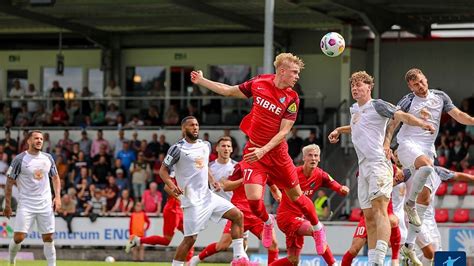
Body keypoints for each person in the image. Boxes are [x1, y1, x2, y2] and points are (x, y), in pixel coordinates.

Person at [191, 53, 328, 253]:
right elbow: (229, 91)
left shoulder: (292, 98)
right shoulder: (259, 82)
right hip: (254, 152)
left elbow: (284, 131)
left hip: (277, 154)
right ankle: (267, 222)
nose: (297, 76)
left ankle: (318, 228)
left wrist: (264, 150)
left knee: (297, 196)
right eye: (295, 72)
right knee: (254, 202)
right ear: (282, 71)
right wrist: (202, 80)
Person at [328, 71, 435, 265]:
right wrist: (339, 130)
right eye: (353, 85)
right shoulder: (355, 110)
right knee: (369, 216)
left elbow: (401, 116)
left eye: (360, 85)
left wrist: (422, 123)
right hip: (363, 168)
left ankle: (379, 259)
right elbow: (357, 127)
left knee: (380, 211)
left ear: (369, 87)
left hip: (378, 164)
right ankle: (372, 260)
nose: (355, 88)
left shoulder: (377, 105)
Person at [383, 68, 474, 260]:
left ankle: (409, 245)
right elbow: (393, 124)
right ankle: (409, 204)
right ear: (410, 86)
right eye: (416, 84)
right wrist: (387, 144)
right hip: (407, 144)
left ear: (426, 79)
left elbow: (458, 115)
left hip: (428, 148)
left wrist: (472, 120)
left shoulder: (440, 97)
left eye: (422, 81)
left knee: (424, 198)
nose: (421, 86)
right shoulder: (407, 100)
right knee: (425, 166)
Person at [159, 116, 250, 265]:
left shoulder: (205, 145)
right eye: (191, 125)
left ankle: (239, 258)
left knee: (238, 215)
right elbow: (162, 171)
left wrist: (212, 180)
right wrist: (171, 185)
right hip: (192, 201)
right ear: (183, 129)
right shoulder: (177, 149)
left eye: (196, 125)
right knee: (190, 239)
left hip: (208, 196)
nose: (195, 128)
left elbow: (203, 166)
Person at [271, 144, 349, 266]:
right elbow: (271, 177)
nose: (313, 158)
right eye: (310, 155)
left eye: (316, 156)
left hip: (300, 219)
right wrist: (274, 190)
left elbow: (333, 183)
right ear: (303, 158)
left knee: (293, 261)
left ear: (319, 159)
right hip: (286, 218)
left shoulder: (320, 175)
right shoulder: (293, 173)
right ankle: (333, 264)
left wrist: (341, 189)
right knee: (317, 230)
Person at [190, 162, 281, 266]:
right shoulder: (240, 166)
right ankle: (197, 259)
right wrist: (245, 179)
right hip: (240, 213)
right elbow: (227, 186)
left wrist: (277, 193)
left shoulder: (264, 167)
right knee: (222, 245)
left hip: (257, 214)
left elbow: (273, 186)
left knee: (273, 244)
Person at [2, 130, 61, 266]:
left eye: (41, 139)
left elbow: (56, 177)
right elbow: (9, 182)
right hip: (26, 205)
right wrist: (8, 205)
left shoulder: (48, 158)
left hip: (45, 204)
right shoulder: (19, 159)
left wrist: (57, 197)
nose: (39, 141)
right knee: (18, 238)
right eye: (36, 138)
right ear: (28, 141)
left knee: (48, 237)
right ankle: (11, 260)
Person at [125, 173, 195, 262]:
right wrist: (181, 198)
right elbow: (166, 187)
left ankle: (189, 262)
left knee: (190, 236)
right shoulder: (176, 170)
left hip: (178, 210)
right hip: (172, 210)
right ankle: (137, 240)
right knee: (167, 240)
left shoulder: (188, 172)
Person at [209, 136, 237, 201]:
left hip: (232, 205)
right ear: (217, 148)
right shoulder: (209, 167)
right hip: (214, 206)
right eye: (223, 146)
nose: (226, 148)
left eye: (228, 146)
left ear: (232, 149)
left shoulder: (237, 166)